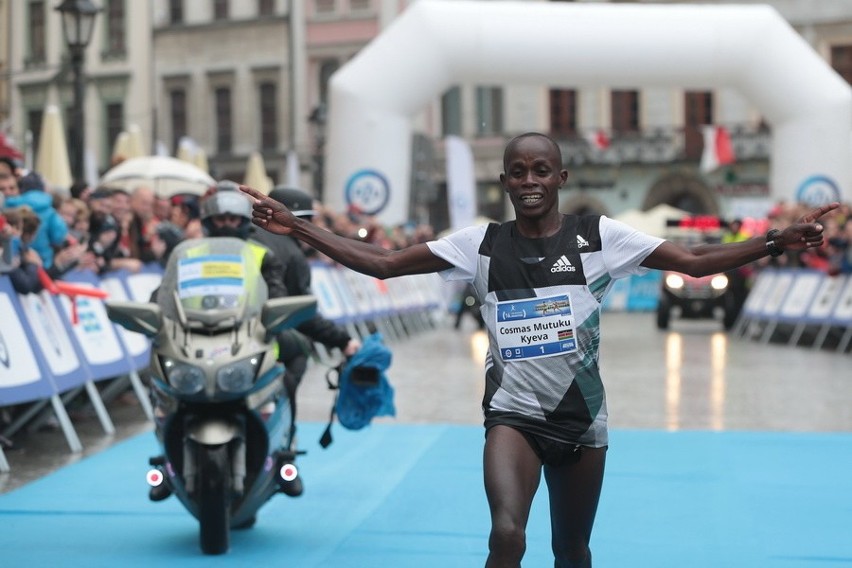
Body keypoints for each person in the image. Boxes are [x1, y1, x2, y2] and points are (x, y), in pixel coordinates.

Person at [240, 132, 838, 567]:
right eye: (518, 172)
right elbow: (385, 262)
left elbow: (694, 261)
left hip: (581, 418)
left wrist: (772, 242)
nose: (529, 181)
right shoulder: (479, 245)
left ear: (560, 179)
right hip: (513, 417)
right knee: (507, 536)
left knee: (571, 551)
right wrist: (300, 228)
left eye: (540, 171)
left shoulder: (598, 238)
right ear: (503, 182)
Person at [250, 186, 362, 492]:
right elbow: (299, 312)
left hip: (212, 336)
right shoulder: (290, 251)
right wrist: (343, 340)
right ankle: (286, 442)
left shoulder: (236, 239)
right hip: (258, 339)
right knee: (298, 351)